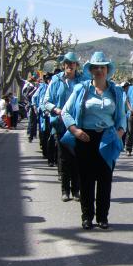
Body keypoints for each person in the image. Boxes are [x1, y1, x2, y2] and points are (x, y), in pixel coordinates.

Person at [61, 52, 126, 230]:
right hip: (85, 137)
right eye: (95, 67)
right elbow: (65, 112)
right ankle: (87, 217)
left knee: (105, 179)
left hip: (108, 137)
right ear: (90, 70)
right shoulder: (81, 89)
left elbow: (121, 116)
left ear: (107, 70)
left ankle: (103, 217)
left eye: (102, 67)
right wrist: (75, 130)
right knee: (86, 179)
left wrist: (120, 132)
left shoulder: (116, 91)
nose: (99, 70)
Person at [43, 52, 84, 202]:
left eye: (72, 63)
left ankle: (76, 191)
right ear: (63, 65)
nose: (69, 65)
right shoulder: (55, 80)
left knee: (78, 158)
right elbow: (46, 101)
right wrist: (56, 109)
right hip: (60, 125)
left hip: (78, 125)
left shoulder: (83, 81)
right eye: (67, 63)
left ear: (76, 65)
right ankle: (65, 190)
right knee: (64, 158)